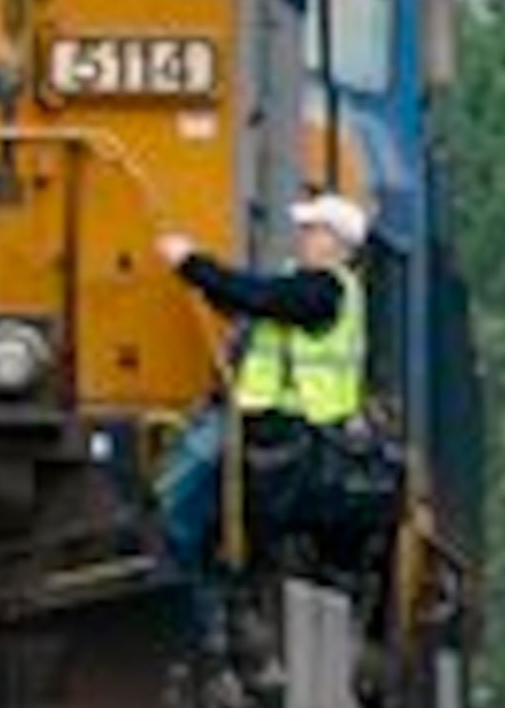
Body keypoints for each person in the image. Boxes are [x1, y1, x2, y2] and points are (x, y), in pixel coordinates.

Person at [152, 189, 370, 567]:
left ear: (335, 242)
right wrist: (207, 280)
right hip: (277, 424)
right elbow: (249, 300)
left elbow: (260, 297)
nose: (302, 237)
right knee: (196, 477)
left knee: (185, 483)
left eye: (312, 229)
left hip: (292, 428)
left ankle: (176, 570)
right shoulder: (308, 286)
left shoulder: (324, 291)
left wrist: (191, 263)